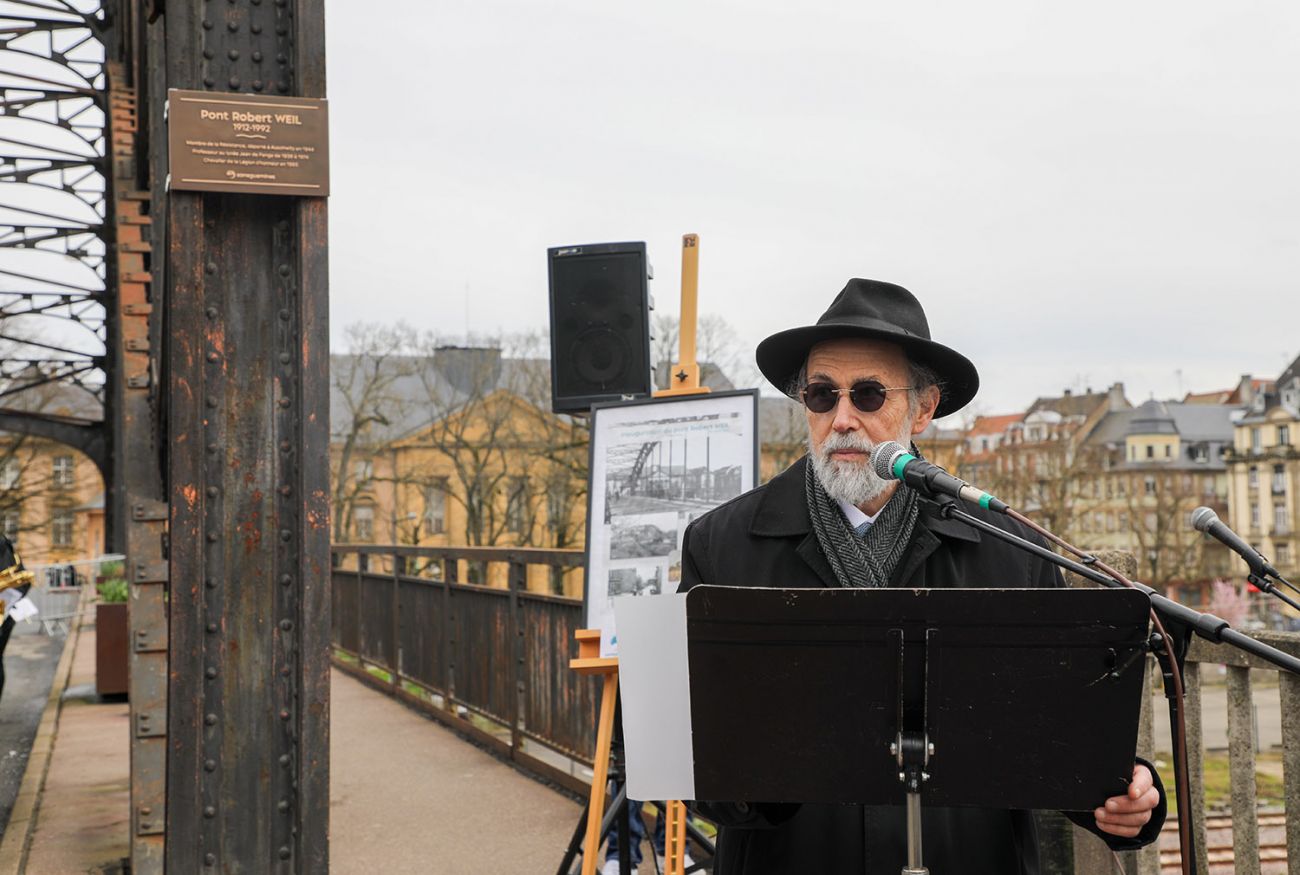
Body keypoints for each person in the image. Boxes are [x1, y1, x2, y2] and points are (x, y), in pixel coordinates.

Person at [678, 279, 1166, 875]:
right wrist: (758, 784)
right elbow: (689, 756)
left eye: (868, 394)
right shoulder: (720, 545)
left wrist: (1123, 799)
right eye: (822, 395)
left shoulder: (1011, 549)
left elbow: (1062, 739)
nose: (843, 419)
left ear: (924, 408)